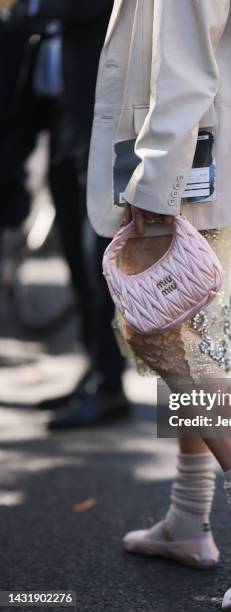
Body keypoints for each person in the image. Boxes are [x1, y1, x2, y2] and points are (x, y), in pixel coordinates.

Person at [87, 1, 231, 609]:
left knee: (163, 334)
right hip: (195, 157)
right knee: (188, 328)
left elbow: (186, 69)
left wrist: (156, 185)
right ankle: (188, 520)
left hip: (181, 164)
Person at [3, 0, 129, 428]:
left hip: (98, 125)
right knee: (78, 266)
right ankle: (92, 374)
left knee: (99, 266)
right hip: (60, 124)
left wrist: (26, 9)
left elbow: (74, 8)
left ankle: (109, 385)